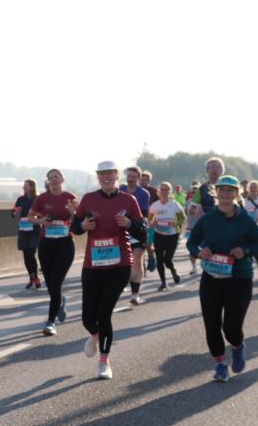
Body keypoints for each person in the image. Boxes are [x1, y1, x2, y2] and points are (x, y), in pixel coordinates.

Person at [187, 176, 258, 382]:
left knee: (231, 327)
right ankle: (220, 364)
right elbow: (192, 242)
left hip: (239, 277)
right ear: (216, 192)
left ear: (237, 193)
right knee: (211, 324)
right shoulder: (207, 219)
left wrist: (245, 249)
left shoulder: (246, 219)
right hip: (211, 276)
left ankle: (238, 346)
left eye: (230, 190)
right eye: (222, 190)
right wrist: (199, 251)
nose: (225, 194)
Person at [71, 160, 146, 380]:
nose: (106, 177)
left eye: (110, 174)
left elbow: (142, 232)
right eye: (101, 174)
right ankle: (95, 336)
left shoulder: (128, 200)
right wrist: (83, 226)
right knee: (87, 318)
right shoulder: (88, 199)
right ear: (98, 177)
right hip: (93, 265)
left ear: (117, 175)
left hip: (120, 264)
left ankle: (104, 361)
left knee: (104, 313)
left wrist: (129, 225)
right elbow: (74, 227)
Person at [28, 168, 77, 335]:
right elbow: (30, 217)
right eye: (51, 178)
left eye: (56, 177)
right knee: (51, 285)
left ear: (62, 179)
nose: (54, 180)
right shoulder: (42, 198)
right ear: (48, 181)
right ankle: (60, 301)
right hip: (46, 244)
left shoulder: (69, 197)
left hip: (65, 244)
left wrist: (73, 213)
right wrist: (41, 220)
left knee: (56, 283)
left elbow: (77, 219)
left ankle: (50, 322)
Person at [119, 166, 150, 305]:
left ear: (138, 178)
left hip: (137, 229)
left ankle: (135, 294)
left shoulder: (143, 193)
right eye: (129, 176)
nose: (130, 179)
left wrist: (129, 221)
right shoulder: (121, 189)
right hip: (121, 229)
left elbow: (142, 215)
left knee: (137, 259)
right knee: (124, 261)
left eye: (133, 176)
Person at [147, 182, 185, 290]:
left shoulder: (174, 204)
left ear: (170, 192)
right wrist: (152, 223)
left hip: (172, 235)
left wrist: (176, 223)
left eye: (167, 190)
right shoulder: (155, 205)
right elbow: (149, 220)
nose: (164, 192)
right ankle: (163, 283)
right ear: (159, 192)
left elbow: (183, 218)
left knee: (167, 260)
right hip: (159, 235)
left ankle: (173, 271)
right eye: (162, 189)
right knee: (159, 259)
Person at [14, 179, 42, 289]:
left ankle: (36, 278)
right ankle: (32, 278)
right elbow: (13, 213)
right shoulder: (20, 199)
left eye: (25, 185)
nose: (23, 187)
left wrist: (35, 216)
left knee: (31, 253)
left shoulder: (37, 199)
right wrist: (16, 211)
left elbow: (43, 213)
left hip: (34, 230)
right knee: (26, 256)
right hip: (23, 230)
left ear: (31, 187)